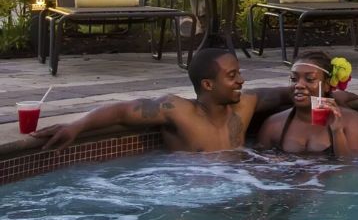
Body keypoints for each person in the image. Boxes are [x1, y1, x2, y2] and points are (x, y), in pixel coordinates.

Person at [33, 49, 295, 153]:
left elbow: (287, 94)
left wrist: (330, 90)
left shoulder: (246, 105)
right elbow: (121, 112)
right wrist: (75, 127)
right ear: (208, 84)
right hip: (189, 192)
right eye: (232, 75)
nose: (241, 80)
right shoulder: (178, 111)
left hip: (235, 188)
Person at [256, 51, 358, 158]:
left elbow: (352, 169)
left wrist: (337, 132)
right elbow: (257, 166)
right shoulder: (273, 124)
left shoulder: (350, 121)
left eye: (310, 79)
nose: (299, 85)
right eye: (294, 79)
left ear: (327, 85)